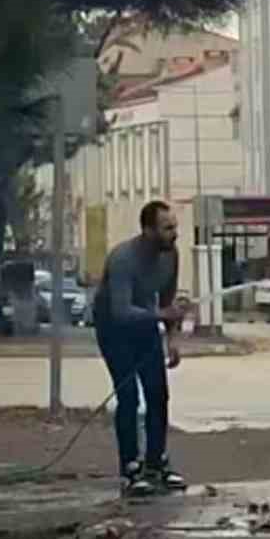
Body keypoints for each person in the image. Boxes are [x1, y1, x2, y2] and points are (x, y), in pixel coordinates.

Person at [92, 200, 187, 496]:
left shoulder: (170, 256)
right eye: (167, 228)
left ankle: (156, 461)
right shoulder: (123, 259)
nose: (174, 234)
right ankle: (130, 467)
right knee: (129, 396)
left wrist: (172, 338)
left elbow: (167, 301)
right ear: (147, 230)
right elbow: (121, 311)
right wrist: (162, 316)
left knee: (158, 393)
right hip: (114, 329)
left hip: (145, 323)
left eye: (175, 228)